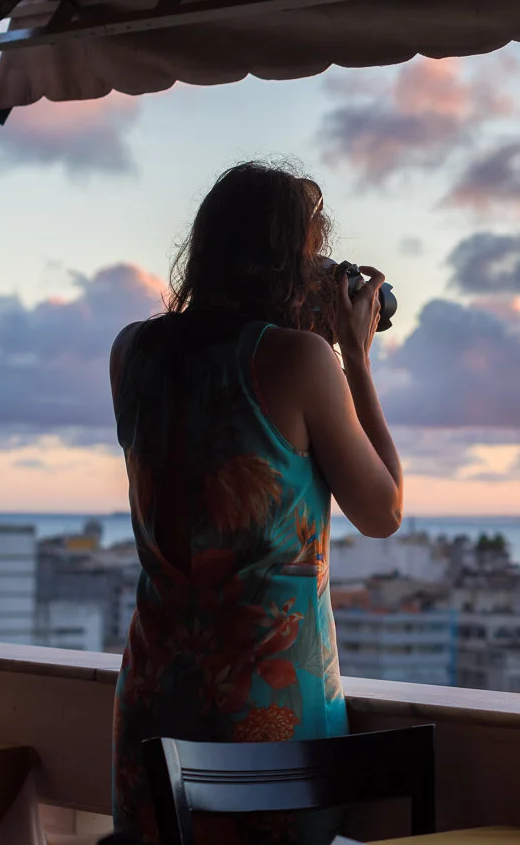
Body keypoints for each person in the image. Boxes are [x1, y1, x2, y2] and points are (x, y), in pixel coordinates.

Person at [108, 161, 403, 844]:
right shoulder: (301, 360)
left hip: (154, 693)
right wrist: (355, 359)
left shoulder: (131, 351)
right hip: (270, 709)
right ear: (289, 260)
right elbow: (382, 511)